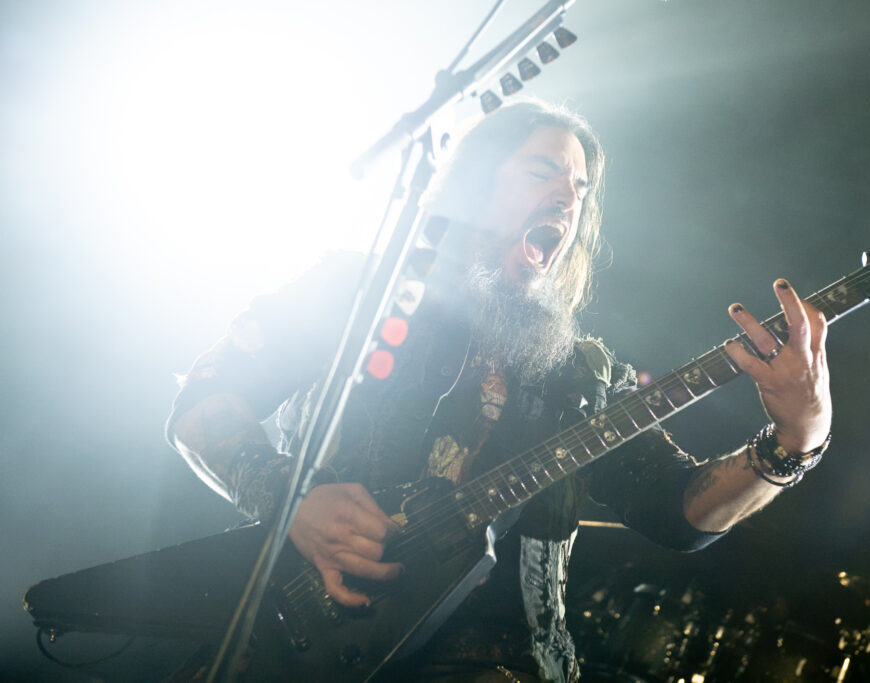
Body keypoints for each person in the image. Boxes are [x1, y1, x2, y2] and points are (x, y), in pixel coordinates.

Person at [166, 99, 831, 682]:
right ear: (473, 184)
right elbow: (205, 400)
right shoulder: (356, 291)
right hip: (298, 634)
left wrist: (797, 441)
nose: (569, 198)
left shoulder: (583, 371)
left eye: (581, 186)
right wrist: (293, 500)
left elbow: (679, 510)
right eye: (543, 170)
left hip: (498, 660)